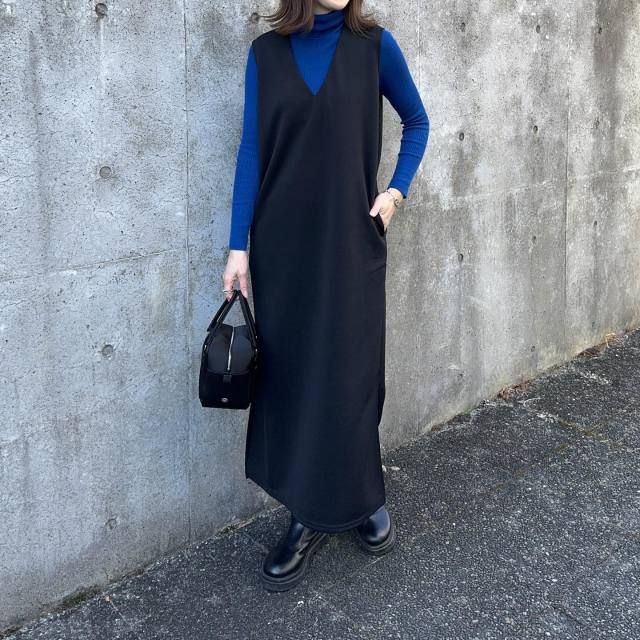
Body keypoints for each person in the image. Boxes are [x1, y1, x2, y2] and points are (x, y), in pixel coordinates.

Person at [222, 0, 429, 591]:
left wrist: (394, 193)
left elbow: (418, 122)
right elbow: (251, 150)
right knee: (295, 380)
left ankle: (363, 497)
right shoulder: (266, 54)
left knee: (353, 372)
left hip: (350, 245)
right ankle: (306, 515)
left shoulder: (375, 47)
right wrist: (237, 246)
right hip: (283, 250)